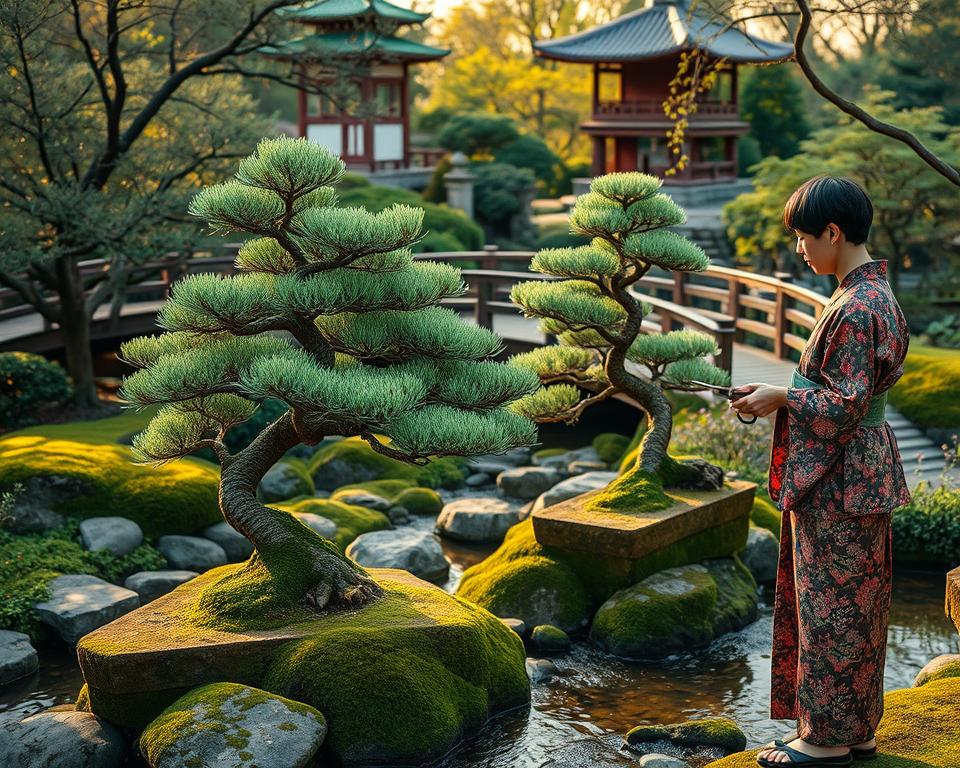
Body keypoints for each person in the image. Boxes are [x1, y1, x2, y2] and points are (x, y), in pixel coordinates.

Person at [728, 176, 911, 767]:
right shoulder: (874, 294)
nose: (799, 249)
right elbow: (846, 393)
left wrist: (783, 397)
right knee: (860, 607)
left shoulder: (854, 308)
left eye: (804, 237)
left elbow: (845, 405)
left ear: (833, 232)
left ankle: (826, 740)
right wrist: (777, 392)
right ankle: (855, 731)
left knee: (830, 608)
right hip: (862, 474)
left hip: (839, 478)